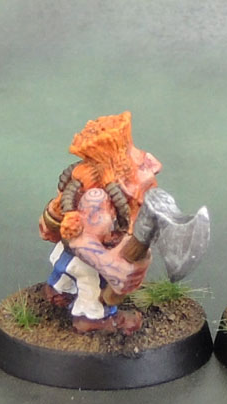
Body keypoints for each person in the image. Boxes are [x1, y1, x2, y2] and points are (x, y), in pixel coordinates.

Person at [38, 112, 162, 334]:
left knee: (73, 273)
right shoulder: (97, 199)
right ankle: (95, 319)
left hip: (66, 258)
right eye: (142, 163)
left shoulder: (110, 193)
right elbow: (81, 242)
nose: (154, 164)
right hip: (84, 263)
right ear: (121, 171)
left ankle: (58, 289)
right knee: (96, 282)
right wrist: (114, 268)